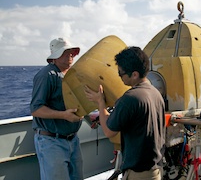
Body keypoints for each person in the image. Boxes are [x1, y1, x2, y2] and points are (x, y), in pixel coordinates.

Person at [84, 46, 166, 180]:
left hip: (139, 174)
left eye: (121, 73)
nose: (119, 77)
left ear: (134, 74)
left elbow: (109, 132)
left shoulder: (130, 98)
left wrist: (100, 102)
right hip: (156, 170)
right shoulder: (155, 93)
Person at [30, 37, 84, 180]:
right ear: (55, 56)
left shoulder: (72, 75)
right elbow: (36, 109)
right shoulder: (46, 75)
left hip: (73, 140)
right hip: (52, 142)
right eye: (66, 52)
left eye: (71, 52)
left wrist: (89, 115)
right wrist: (64, 115)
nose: (70, 55)